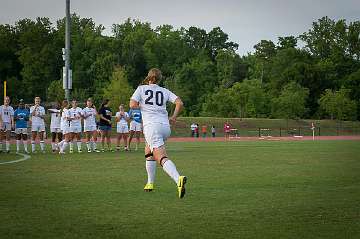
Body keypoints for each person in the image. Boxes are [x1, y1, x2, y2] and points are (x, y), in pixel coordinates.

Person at [130, 68, 187, 199]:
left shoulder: (141, 89)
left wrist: (144, 106)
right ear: (159, 79)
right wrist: (173, 117)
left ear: (148, 78)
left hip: (152, 126)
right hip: (165, 127)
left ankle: (178, 179)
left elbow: (132, 104)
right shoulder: (164, 91)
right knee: (148, 150)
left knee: (160, 156)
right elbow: (179, 102)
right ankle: (150, 183)